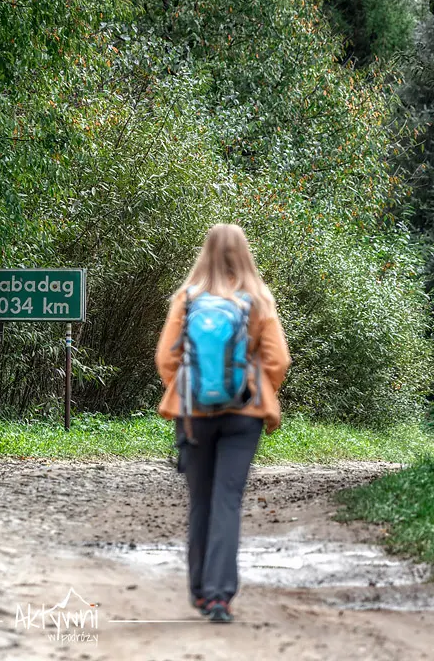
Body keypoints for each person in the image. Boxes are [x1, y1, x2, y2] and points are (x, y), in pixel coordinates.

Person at [155, 223, 291, 623]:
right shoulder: (259, 299)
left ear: (206, 252)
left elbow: (166, 358)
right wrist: (254, 389)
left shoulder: (187, 298)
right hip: (244, 416)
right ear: (245, 252)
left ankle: (198, 591)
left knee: (200, 501)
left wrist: (191, 391)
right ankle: (219, 597)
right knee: (227, 501)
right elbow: (278, 360)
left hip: (194, 416)